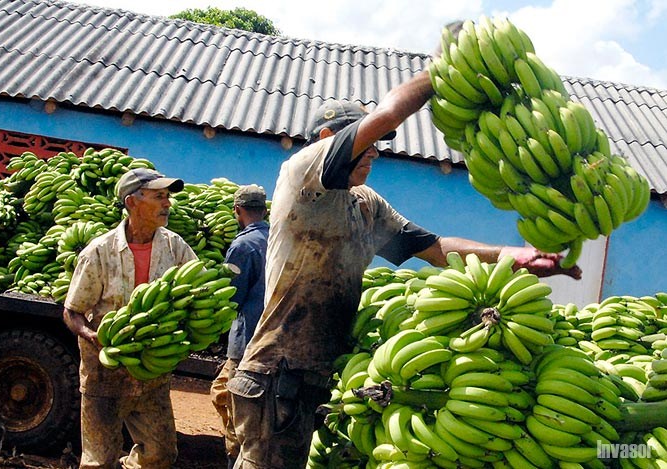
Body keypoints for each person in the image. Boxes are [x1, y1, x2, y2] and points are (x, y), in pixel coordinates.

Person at [226, 26, 583, 469]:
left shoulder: (366, 204)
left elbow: (436, 249)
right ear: (328, 141)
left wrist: (518, 258)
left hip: (314, 371)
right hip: (276, 368)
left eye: (377, 145)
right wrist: (443, 69)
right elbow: (390, 113)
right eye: (366, 142)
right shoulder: (304, 174)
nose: (375, 151)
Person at [62, 168, 197, 469]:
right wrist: (91, 336)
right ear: (132, 202)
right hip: (104, 374)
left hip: (152, 374)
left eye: (168, 197)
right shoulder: (99, 252)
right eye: (159, 196)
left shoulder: (175, 248)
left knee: (161, 454)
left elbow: (197, 292)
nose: (167, 204)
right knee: (98, 460)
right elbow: (72, 312)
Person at [209, 184, 270, 469]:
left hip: (247, 342)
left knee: (234, 407)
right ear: (265, 210)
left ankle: (236, 459)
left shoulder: (243, 246)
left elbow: (231, 296)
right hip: (274, 339)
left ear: (237, 211)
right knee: (226, 394)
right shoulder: (280, 239)